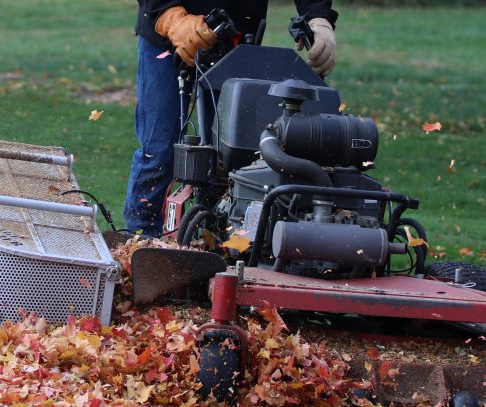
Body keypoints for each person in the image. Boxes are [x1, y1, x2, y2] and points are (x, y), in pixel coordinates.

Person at [124, 1, 339, 236]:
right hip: (165, 37)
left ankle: (220, 247)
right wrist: (170, 16)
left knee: (230, 156)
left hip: (235, 36)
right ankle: (139, 242)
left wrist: (318, 18)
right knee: (160, 150)